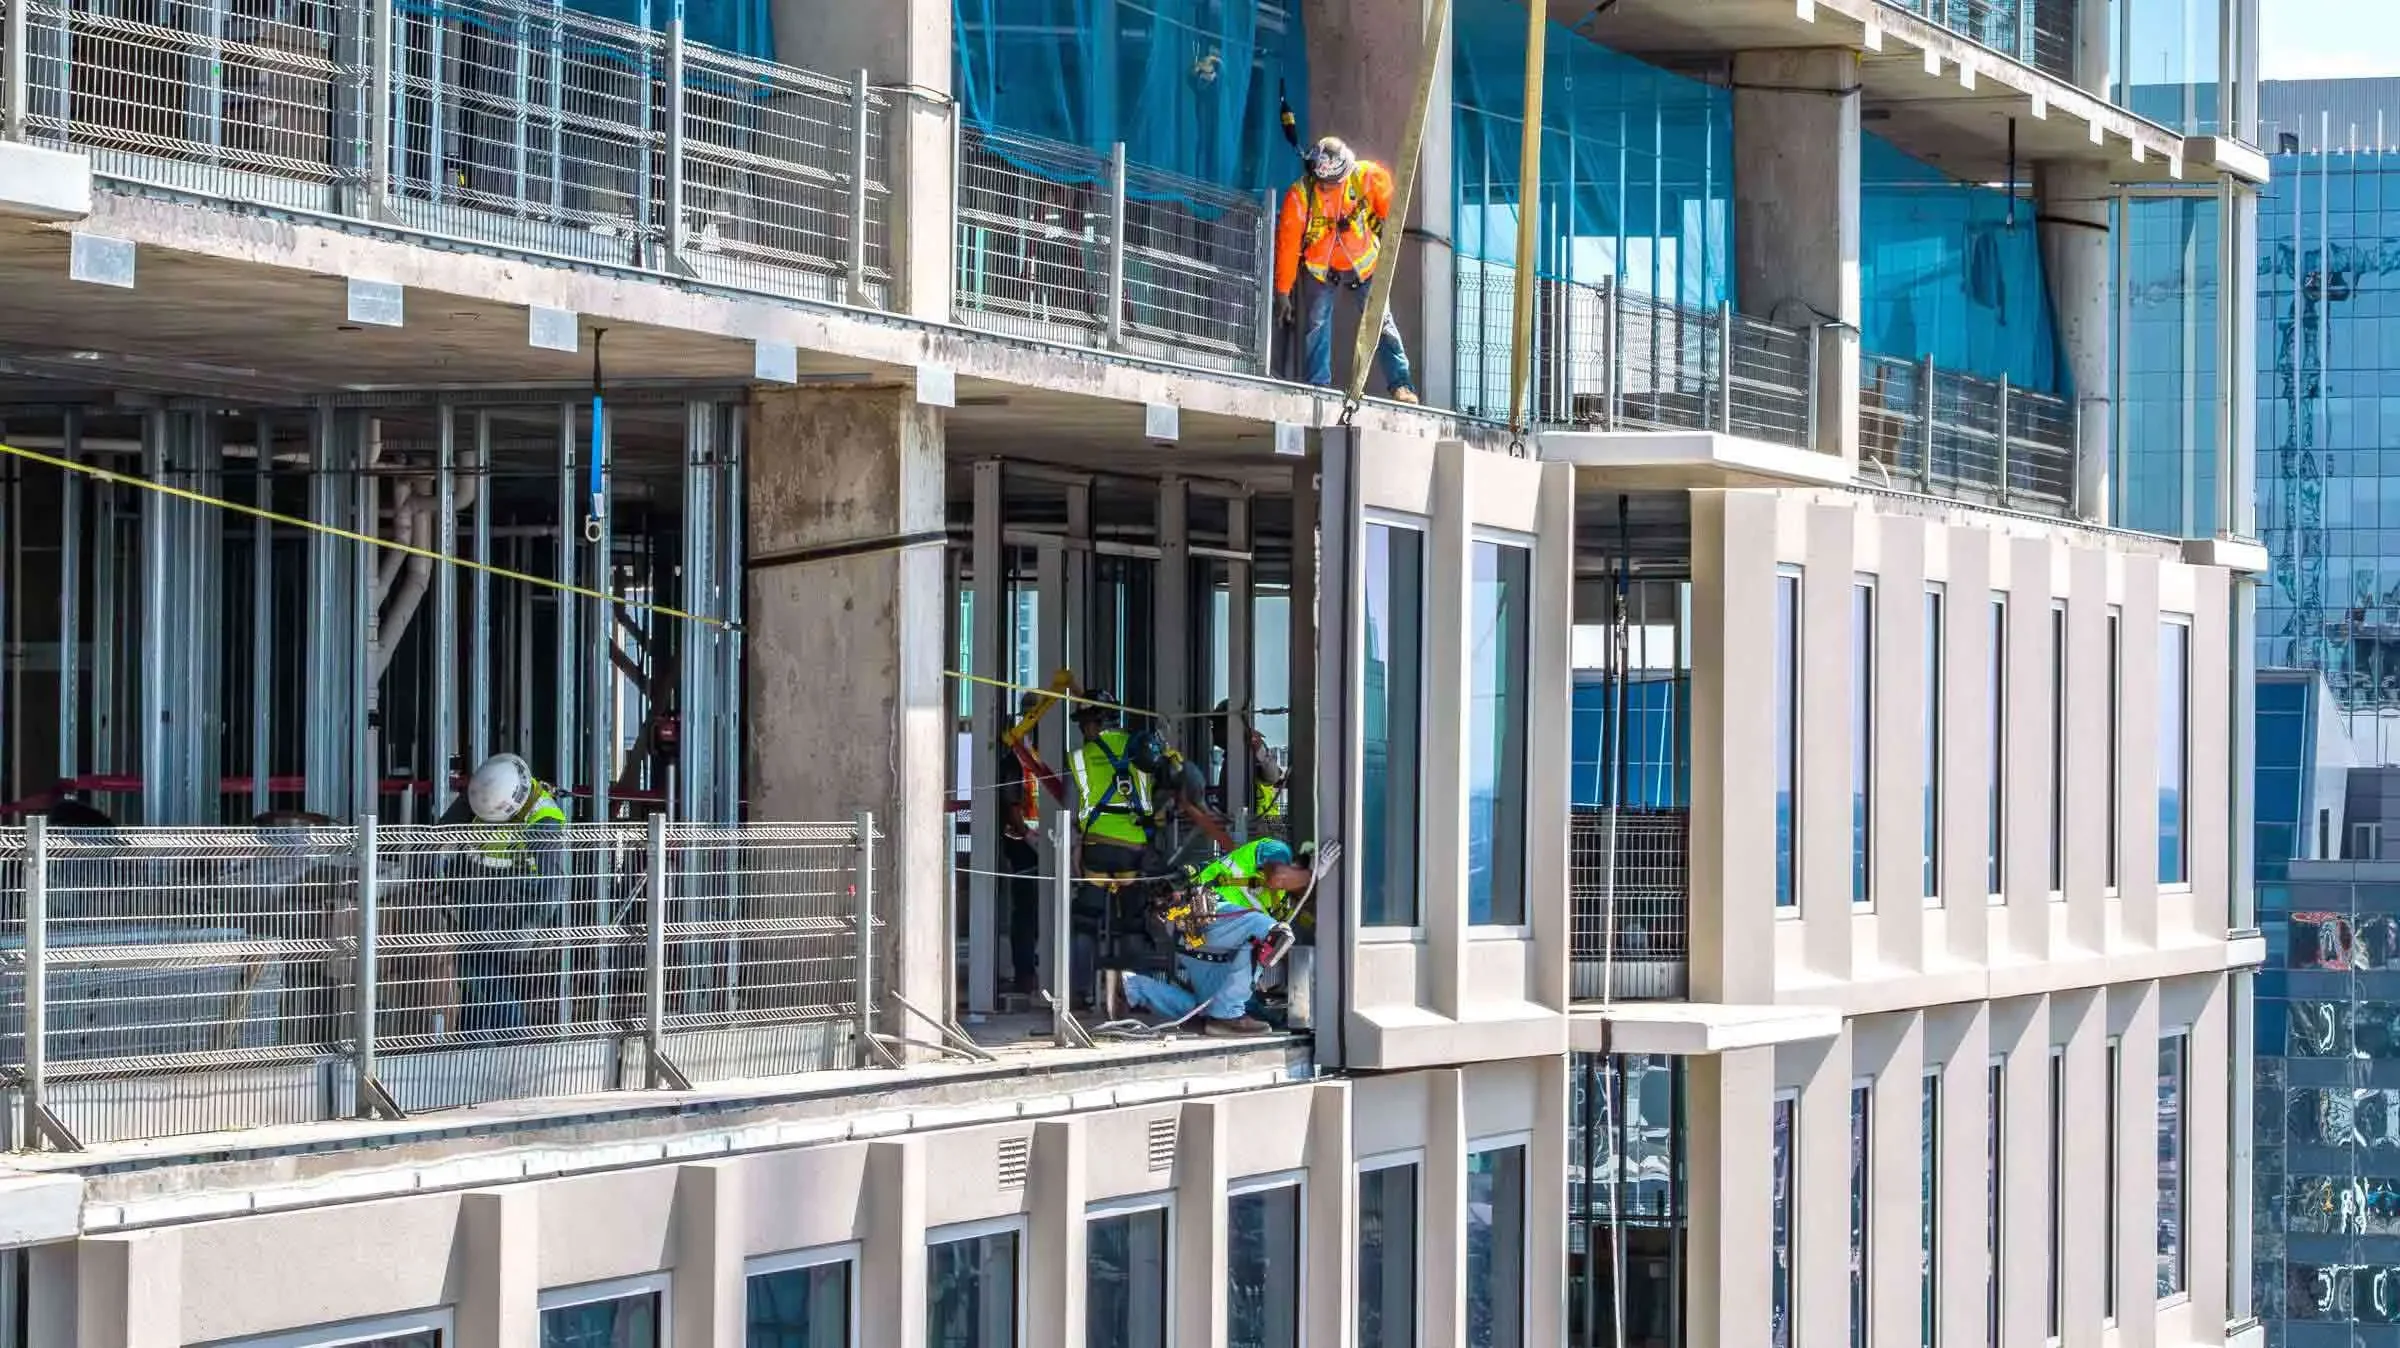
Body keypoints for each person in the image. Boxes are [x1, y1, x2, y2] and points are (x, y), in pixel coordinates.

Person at [1101, 836, 1314, 1037]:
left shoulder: (1280, 902)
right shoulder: (1277, 849)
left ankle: (1131, 987)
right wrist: (1312, 875)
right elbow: (1277, 877)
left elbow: (1276, 950)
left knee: (1210, 1011)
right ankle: (1227, 1014)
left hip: (1201, 940)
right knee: (1273, 932)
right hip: (1202, 911)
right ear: (1302, 864)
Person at [1274, 135, 1419, 403]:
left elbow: (1391, 207)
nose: (1333, 190)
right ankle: (1318, 387)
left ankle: (1402, 385)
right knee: (1316, 326)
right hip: (1321, 270)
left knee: (1382, 323)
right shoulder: (1301, 197)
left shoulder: (1366, 177)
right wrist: (1283, 290)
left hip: (1365, 266)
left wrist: (1389, 229)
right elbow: (1288, 245)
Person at [440, 752, 569, 1034]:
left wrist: (527, 927)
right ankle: (469, 1047)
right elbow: (440, 837)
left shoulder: (543, 818)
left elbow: (551, 885)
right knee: (476, 983)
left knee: (481, 977)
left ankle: (515, 1041)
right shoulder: (482, 794)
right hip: (478, 902)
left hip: (514, 908)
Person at [994, 693, 1048, 996]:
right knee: (1027, 910)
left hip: (1048, 840)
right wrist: (1028, 835)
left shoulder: (1045, 753)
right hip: (1023, 843)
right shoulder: (1015, 758)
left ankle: (1041, 969)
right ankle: (1025, 973)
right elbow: (1011, 802)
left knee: (1045, 909)